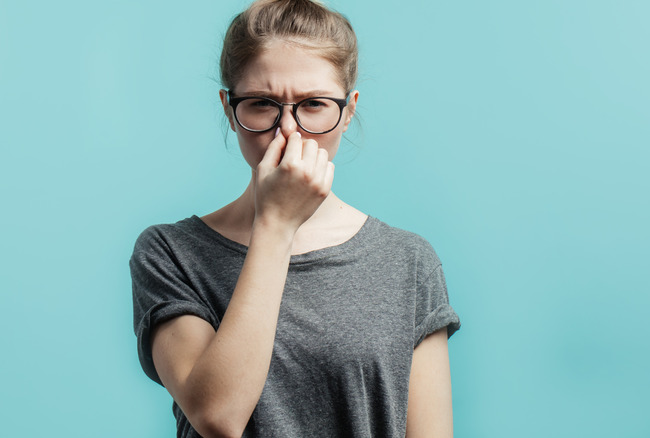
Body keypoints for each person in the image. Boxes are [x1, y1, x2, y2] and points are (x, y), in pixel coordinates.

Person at [129, 0, 460, 436]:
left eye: (314, 104)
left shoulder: (408, 261)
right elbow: (218, 416)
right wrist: (276, 224)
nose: (288, 130)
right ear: (230, 109)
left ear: (349, 109)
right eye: (262, 104)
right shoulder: (171, 253)